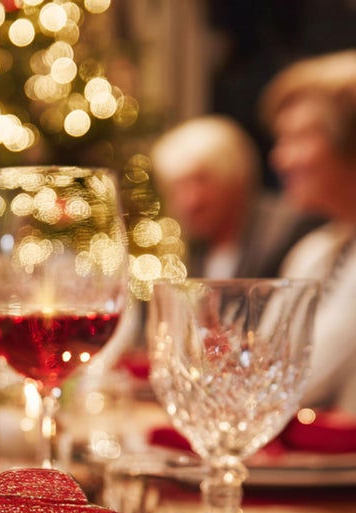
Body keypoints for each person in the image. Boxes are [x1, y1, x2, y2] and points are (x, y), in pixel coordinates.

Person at [260, 49, 356, 413]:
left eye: (298, 138)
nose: (280, 158)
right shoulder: (315, 250)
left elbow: (297, 383)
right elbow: (261, 370)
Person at [150, 114, 320, 280]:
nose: (191, 201)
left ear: (236, 176)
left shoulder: (287, 230)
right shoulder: (192, 249)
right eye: (177, 188)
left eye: (202, 181)